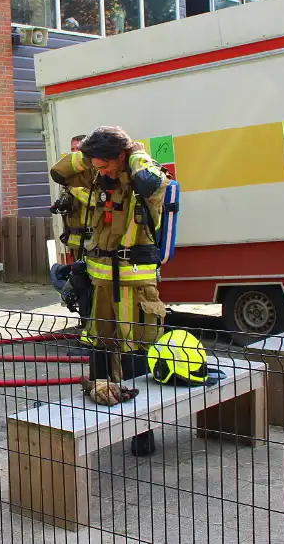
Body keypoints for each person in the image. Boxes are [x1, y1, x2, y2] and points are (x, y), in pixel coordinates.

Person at [49, 126, 170, 455]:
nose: (98, 172)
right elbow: (59, 172)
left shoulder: (141, 175)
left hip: (134, 282)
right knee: (99, 347)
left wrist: (135, 156)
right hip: (100, 280)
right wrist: (87, 158)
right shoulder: (99, 177)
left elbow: (152, 183)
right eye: (95, 166)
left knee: (135, 353)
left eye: (104, 164)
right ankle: (100, 415)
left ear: (121, 156)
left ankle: (142, 429)